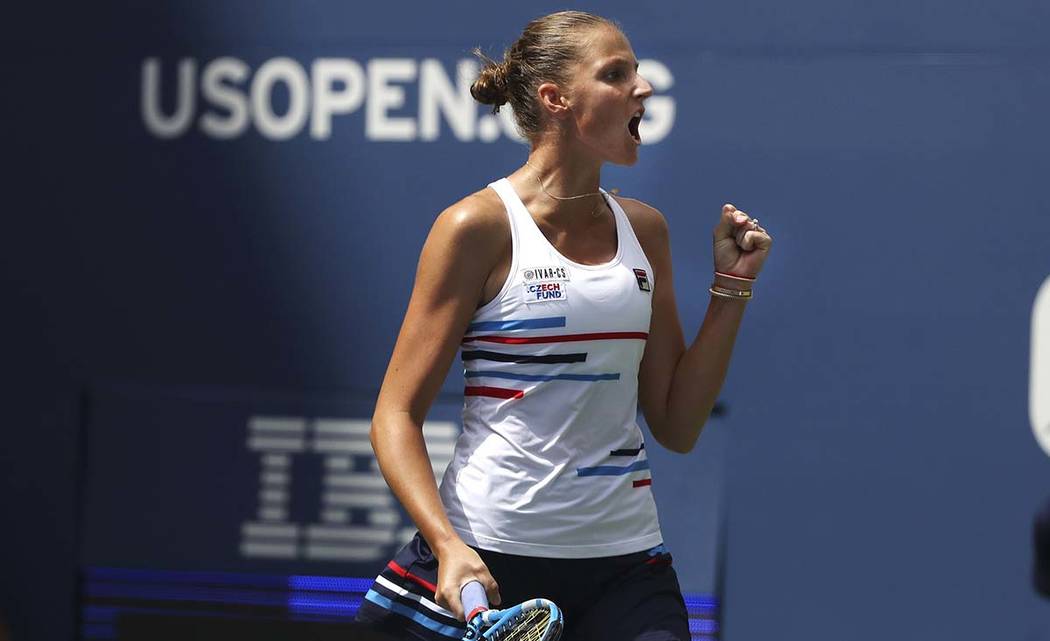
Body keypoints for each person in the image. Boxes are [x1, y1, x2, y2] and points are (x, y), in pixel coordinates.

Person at [356, 11, 772, 641]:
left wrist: (732, 288)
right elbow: (394, 417)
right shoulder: (475, 228)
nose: (644, 87)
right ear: (556, 99)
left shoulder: (645, 231)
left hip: (628, 567)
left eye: (637, 71)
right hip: (489, 557)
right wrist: (447, 545)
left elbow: (677, 425)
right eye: (616, 74)